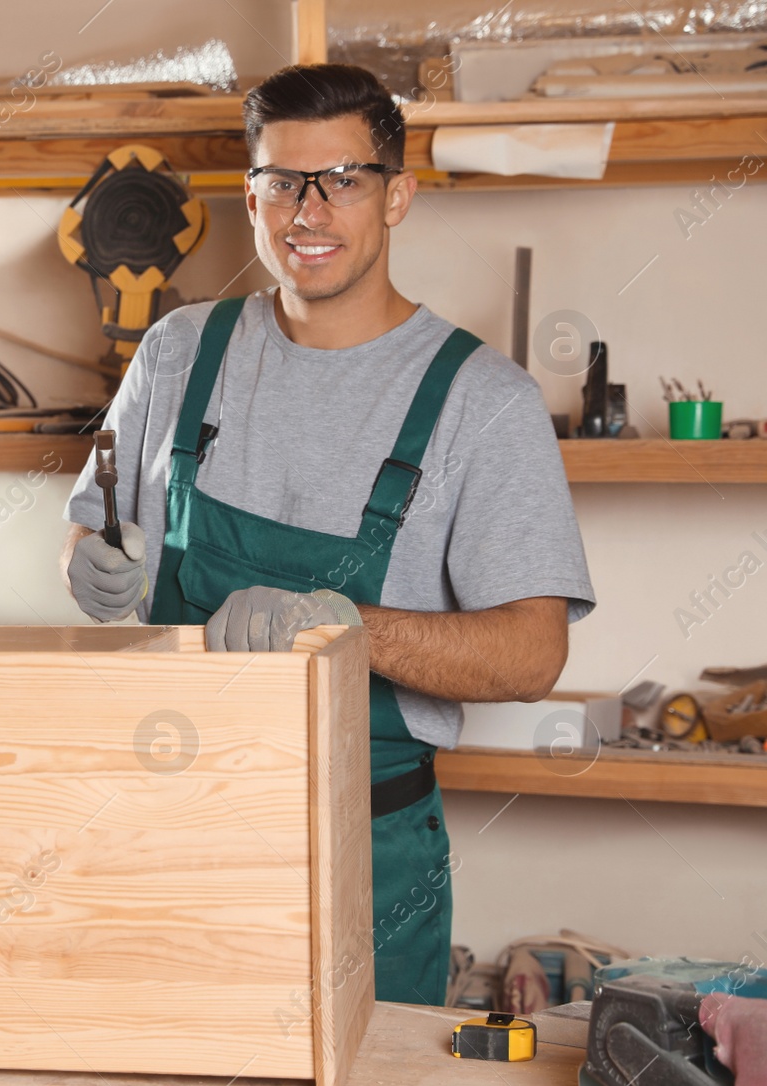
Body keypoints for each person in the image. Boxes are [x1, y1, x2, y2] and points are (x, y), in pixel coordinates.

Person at [61, 65, 594, 1004]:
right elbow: (91, 529)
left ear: (398, 197)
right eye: (283, 183)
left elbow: (531, 654)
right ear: (252, 195)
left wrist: (345, 623)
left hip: (362, 857)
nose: (308, 213)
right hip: (161, 831)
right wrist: (90, 567)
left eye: (342, 180)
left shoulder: (483, 403)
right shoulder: (181, 350)